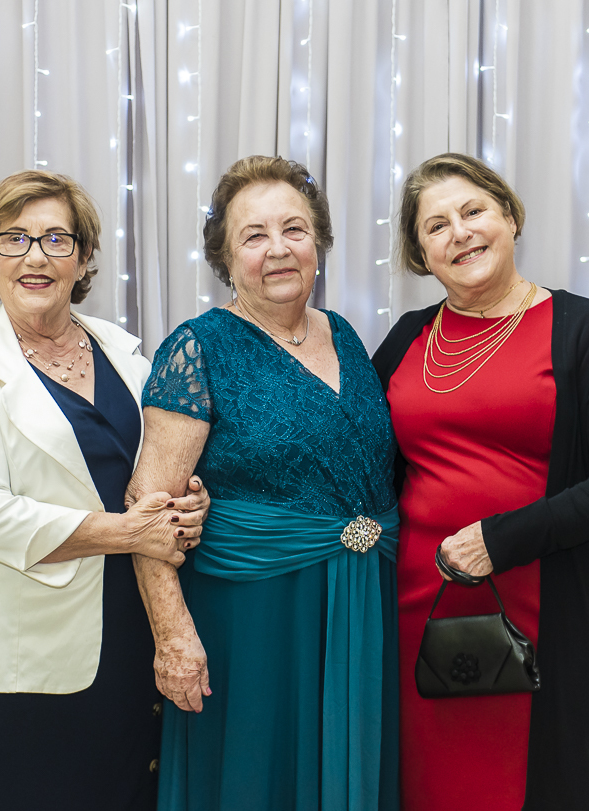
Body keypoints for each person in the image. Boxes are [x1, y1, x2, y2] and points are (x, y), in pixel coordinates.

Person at [371, 153, 589, 810]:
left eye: (473, 211)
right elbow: (351, 455)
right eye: (436, 226)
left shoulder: (586, 330)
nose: (460, 233)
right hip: (419, 613)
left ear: (509, 216)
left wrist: (498, 540)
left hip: (547, 615)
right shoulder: (408, 338)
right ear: (421, 254)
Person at [0, 169, 209, 810]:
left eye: (56, 238)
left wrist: (191, 502)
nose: (36, 257)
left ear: (82, 258)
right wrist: (132, 533)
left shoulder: (128, 356)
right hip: (8, 663)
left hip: (124, 635)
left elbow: (158, 465)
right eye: (14, 239)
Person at [127, 156, 400, 810]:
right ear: (226, 259)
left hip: (360, 607)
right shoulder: (198, 348)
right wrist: (172, 637)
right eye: (254, 235)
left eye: (294, 229)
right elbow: (148, 507)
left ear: (318, 243)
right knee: (256, 780)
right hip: (252, 620)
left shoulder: (346, 335)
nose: (278, 248)